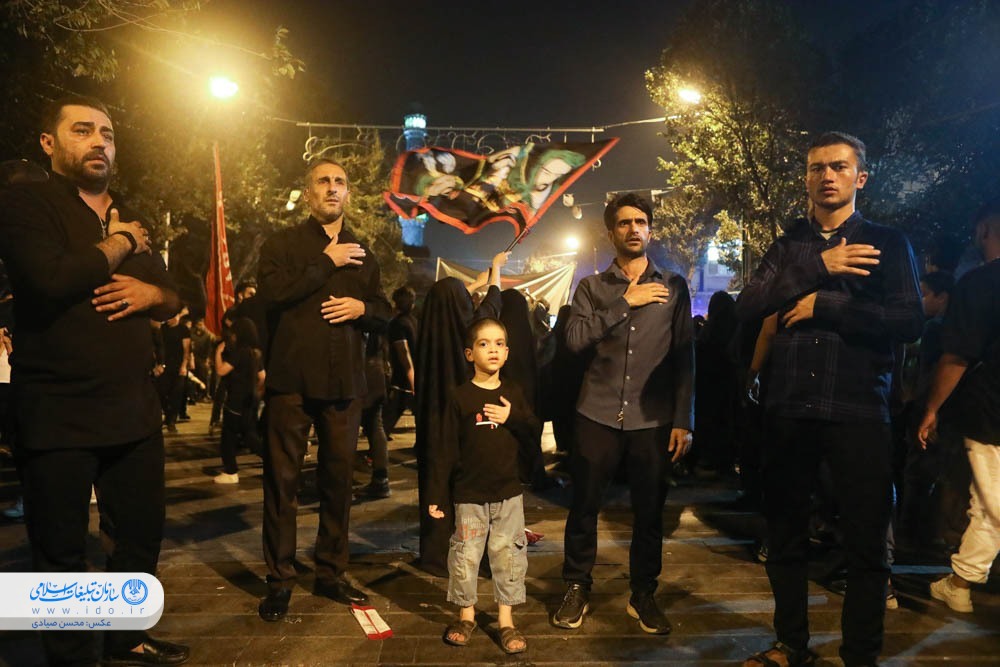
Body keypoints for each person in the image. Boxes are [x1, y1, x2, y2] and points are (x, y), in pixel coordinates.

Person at [0, 95, 188, 665]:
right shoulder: (26, 203)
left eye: (107, 133)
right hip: (58, 411)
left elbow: (176, 298)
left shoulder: (128, 212)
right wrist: (123, 242)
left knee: (139, 536)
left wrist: (151, 294)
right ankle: (73, 655)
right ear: (49, 143)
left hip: (133, 410)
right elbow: (52, 278)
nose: (99, 142)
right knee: (59, 553)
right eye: (82, 131)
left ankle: (125, 636)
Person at [735, 132, 923, 667]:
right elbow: (749, 305)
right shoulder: (788, 245)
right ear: (806, 179)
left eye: (839, 166)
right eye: (817, 167)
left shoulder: (888, 243)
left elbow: (910, 321)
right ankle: (791, 645)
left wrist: (827, 305)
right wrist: (819, 266)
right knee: (785, 535)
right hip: (790, 407)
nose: (827, 176)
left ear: (860, 177)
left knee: (866, 543)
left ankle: (860, 655)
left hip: (859, 410)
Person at [552, 192, 694, 635]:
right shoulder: (591, 288)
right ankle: (577, 586)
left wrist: (684, 419)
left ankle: (643, 594)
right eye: (624, 222)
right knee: (583, 507)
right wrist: (625, 303)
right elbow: (574, 339)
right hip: (596, 413)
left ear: (651, 230)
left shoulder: (674, 286)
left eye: (641, 221)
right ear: (610, 232)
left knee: (649, 512)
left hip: (652, 419)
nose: (634, 228)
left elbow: (685, 357)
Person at [255, 158, 391, 622]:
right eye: (323, 181)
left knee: (339, 483)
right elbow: (272, 295)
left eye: (340, 182)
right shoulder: (282, 244)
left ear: (348, 193)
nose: (332, 188)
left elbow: (386, 311)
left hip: (344, 384)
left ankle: (331, 572)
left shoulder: (365, 253)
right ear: (308, 192)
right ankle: (280, 579)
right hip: (290, 382)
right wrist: (325, 263)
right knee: (282, 483)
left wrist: (362, 309)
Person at [427, 318, 540, 654]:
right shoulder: (459, 397)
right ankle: (466, 615)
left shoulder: (514, 393)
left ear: (507, 352)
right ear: (469, 353)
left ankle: (506, 621)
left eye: (499, 343)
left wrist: (512, 418)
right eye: (484, 343)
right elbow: (444, 448)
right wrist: (437, 494)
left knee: (508, 556)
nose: (493, 349)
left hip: (508, 494)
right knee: (465, 556)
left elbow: (532, 430)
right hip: (468, 494)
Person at [918, 198, 1000, 614]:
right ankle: (960, 582)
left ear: (984, 229)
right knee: (987, 503)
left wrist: (931, 408)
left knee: (992, 502)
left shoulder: (980, 283)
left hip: (991, 414)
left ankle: (960, 583)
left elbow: (957, 357)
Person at [414, 255, 507, 576]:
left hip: (432, 422)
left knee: (436, 485)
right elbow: (490, 309)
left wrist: (477, 281)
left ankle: (436, 556)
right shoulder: (468, 337)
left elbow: (450, 297)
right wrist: (496, 272)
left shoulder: (428, 331)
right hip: (463, 424)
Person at [213, 317, 264, 484]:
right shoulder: (256, 353)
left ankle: (231, 472)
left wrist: (218, 353)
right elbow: (262, 377)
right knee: (250, 436)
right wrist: (256, 393)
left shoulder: (239, 352)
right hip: (250, 402)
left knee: (228, 438)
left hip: (235, 402)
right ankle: (274, 460)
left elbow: (221, 370)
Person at [383, 285, 418, 435]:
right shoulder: (415, 322)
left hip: (402, 380)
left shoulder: (397, 324)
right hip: (414, 379)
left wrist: (412, 380)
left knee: (385, 421)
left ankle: (376, 449)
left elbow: (404, 353)